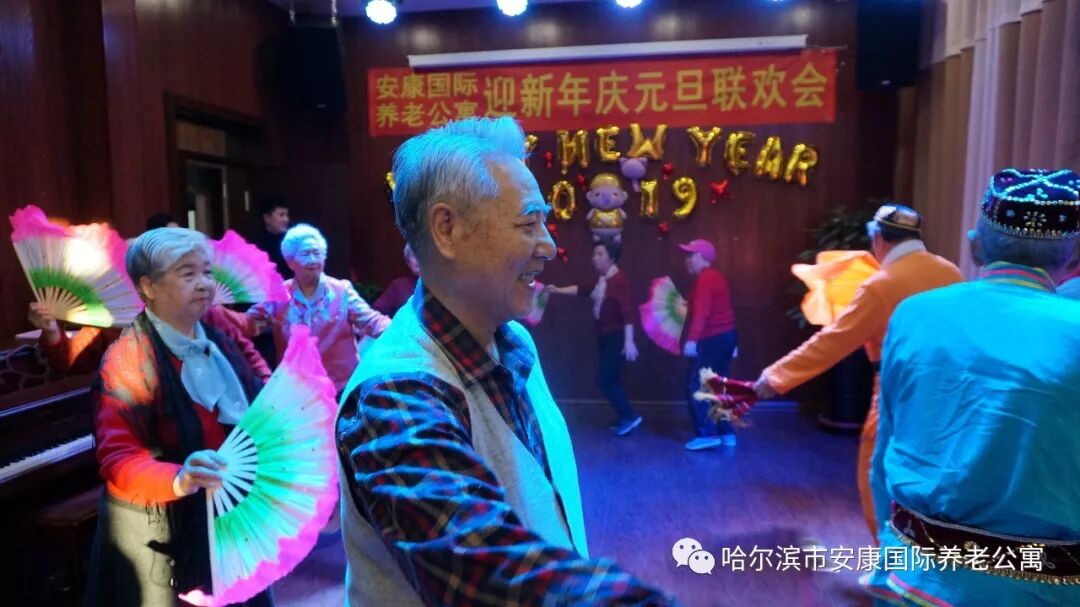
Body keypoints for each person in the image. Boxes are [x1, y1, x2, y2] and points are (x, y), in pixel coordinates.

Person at [336, 117, 675, 606]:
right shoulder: (395, 396)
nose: (549, 246)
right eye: (528, 223)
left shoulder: (512, 339)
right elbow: (486, 568)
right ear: (447, 229)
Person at [866, 168, 1080, 605]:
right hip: (1041, 591)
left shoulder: (914, 314)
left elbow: (884, 452)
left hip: (912, 577)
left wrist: (890, 552)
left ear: (975, 245)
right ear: (1073, 258)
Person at [84, 228, 271, 606]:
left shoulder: (216, 329)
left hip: (226, 511)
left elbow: (255, 377)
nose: (204, 283)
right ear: (149, 287)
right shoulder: (128, 358)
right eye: (188, 274)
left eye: (206, 272)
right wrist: (180, 478)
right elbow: (118, 457)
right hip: (162, 530)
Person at [753, 204, 962, 540]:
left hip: (898, 392)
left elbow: (833, 342)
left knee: (877, 475)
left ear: (878, 238)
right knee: (932, 479)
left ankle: (889, 556)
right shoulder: (951, 272)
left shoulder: (881, 285)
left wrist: (776, 377)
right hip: (950, 394)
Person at [245, 223, 389, 395]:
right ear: (290, 262)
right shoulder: (279, 296)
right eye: (305, 254)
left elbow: (372, 322)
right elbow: (245, 324)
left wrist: (403, 332)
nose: (313, 260)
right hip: (295, 391)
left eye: (317, 253)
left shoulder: (341, 291)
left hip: (340, 390)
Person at [545, 240, 642, 436]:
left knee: (604, 378)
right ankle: (625, 416)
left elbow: (627, 311)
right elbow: (583, 290)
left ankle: (630, 416)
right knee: (611, 378)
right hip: (605, 336)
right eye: (594, 255)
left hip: (615, 337)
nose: (595, 259)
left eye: (600, 254)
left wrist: (629, 341)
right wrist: (557, 290)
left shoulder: (619, 280)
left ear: (611, 258)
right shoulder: (603, 280)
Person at [678, 239, 738, 450]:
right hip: (726, 337)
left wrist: (692, 339)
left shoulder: (705, 278)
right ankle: (726, 432)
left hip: (712, 338)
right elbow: (716, 307)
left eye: (690, 255)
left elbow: (702, 312)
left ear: (702, 257)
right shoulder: (715, 277)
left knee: (695, 384)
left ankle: (707, 434)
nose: (687, 260)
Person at [371, 243, 420, 316]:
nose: (420, 259)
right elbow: (375, 313)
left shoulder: (438, 282)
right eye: (414, 255)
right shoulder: (399, 286)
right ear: (408, 263)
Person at [253, 197, 291, 279]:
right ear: (267, 218)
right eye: (281, 215)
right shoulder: (257, 245)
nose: (286, 219)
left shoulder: (292, 240)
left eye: (287, 215)